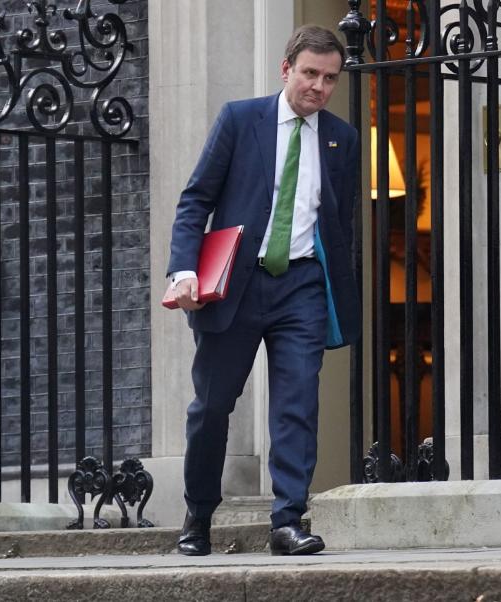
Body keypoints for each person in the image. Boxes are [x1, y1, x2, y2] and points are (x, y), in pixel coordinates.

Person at [166, 25, 360, 556]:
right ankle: (198, 515)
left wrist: (331, 283)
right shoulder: (239, 119)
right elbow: (195, 200)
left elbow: (341, 222)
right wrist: (183, 269)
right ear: (286, 69)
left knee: (297, 403)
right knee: (212, 407)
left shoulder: (343, 139)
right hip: (237, 284)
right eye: (310, 74)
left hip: (301, 284)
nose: (319, 87)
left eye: (329, 78)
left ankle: (288, 520)